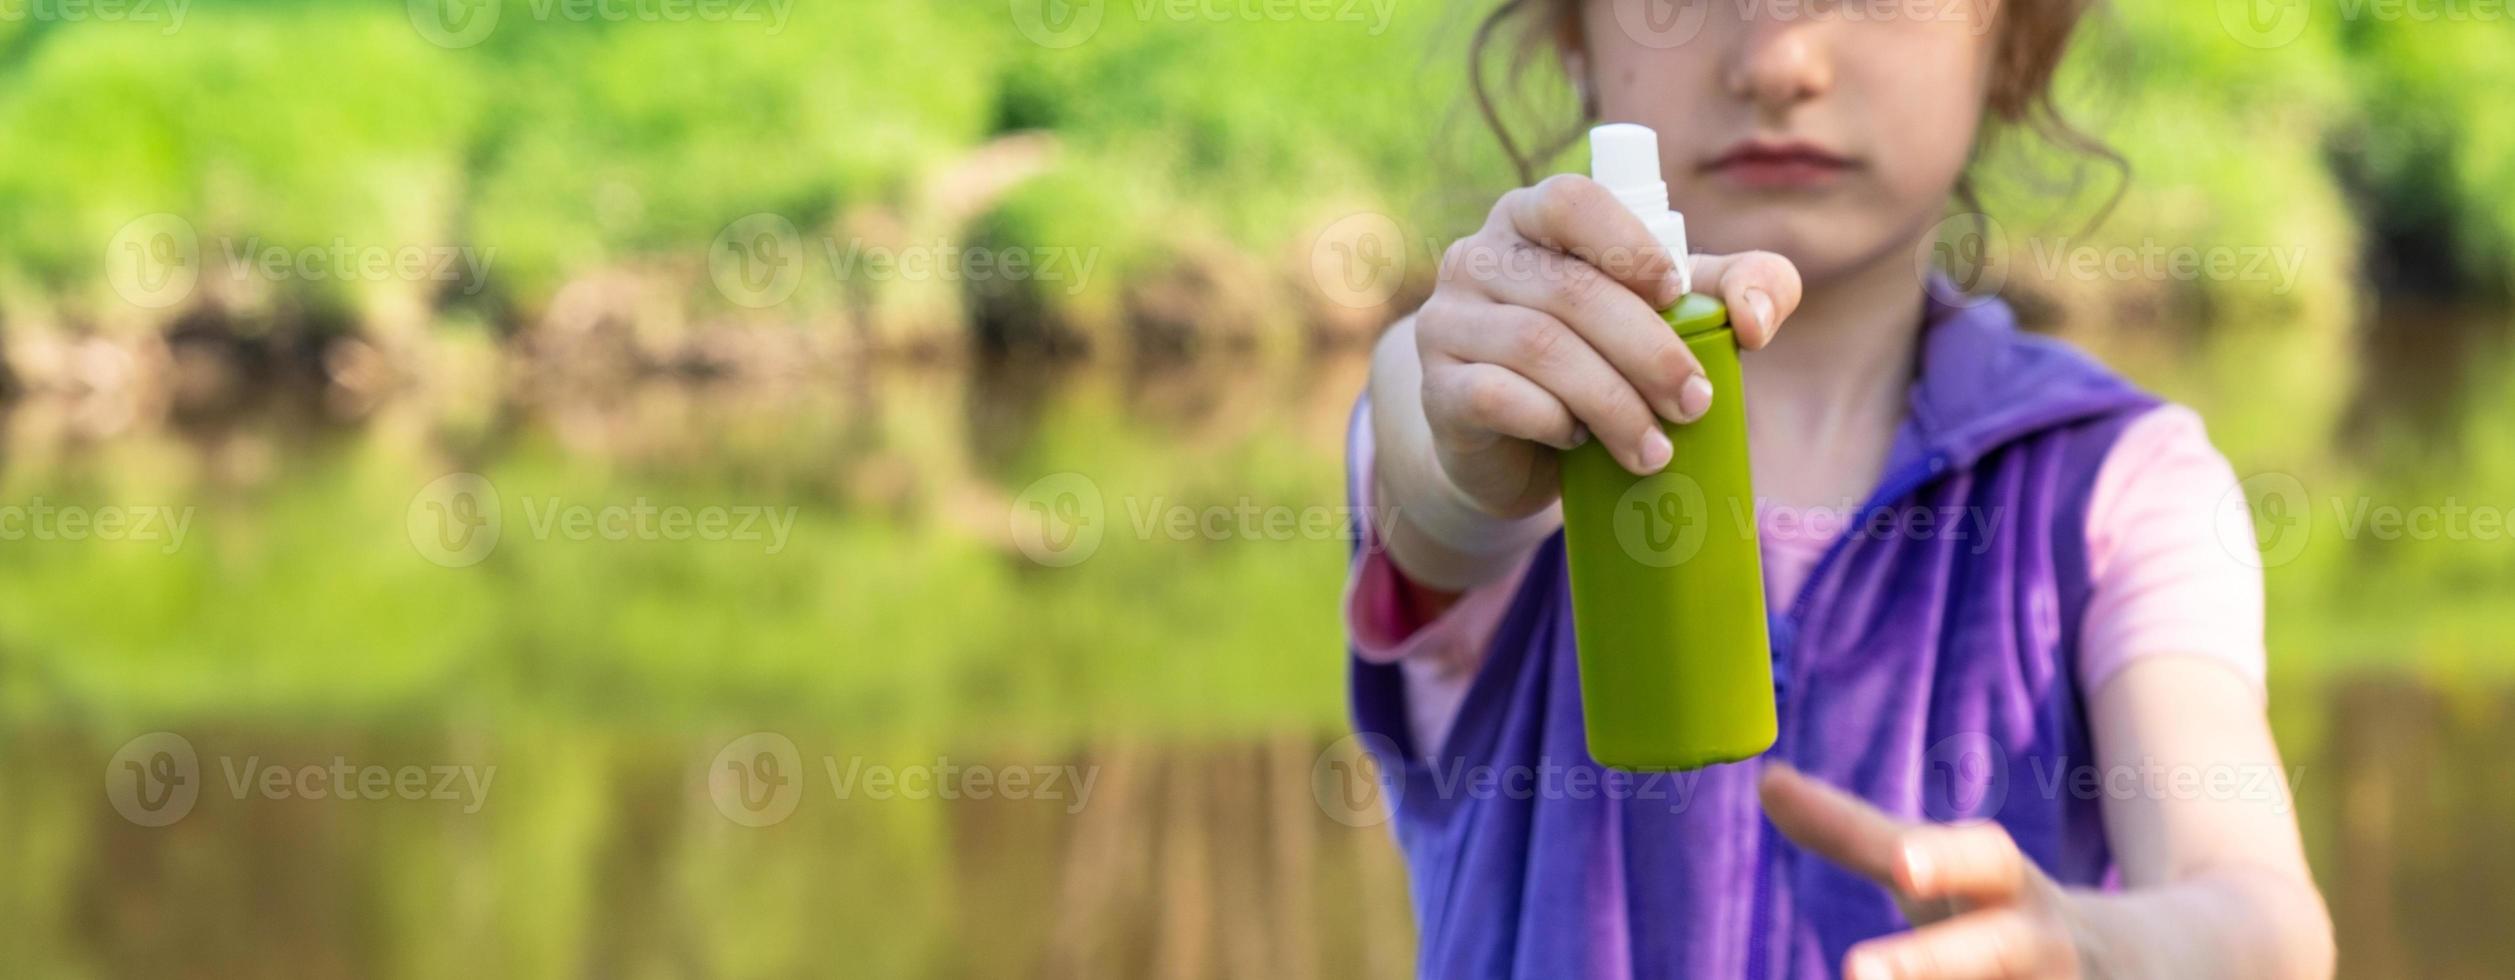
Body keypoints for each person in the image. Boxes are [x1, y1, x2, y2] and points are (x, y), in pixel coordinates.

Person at [1343, 2, 2335, 976]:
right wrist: (1464, 423)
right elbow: (1434, 475)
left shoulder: (2123, 483)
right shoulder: (1493, 397)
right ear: (1573, 32)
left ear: (2013, 39)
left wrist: (2099, 949)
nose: (1779, 61)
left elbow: (2260, 917)